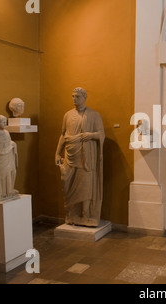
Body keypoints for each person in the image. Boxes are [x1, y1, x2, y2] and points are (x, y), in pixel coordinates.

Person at [55, 87, 105, 227]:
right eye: (72, 96)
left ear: (84, 98)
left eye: (77, 96)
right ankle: (71, 215)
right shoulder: (67, 115)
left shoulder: (94, 115)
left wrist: (90, 135)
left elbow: (101, 134)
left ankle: (85, 215)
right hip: (70, 155)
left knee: (86, 186)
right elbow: (63, 135)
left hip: (86, 157)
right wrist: (57, 152)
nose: (74, 99)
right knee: (67, 184)